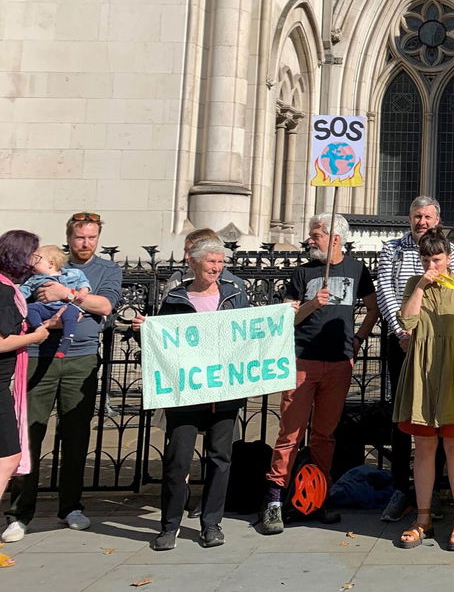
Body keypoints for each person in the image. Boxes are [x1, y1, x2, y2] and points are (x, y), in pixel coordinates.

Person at [4, 212, 121, 543]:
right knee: (29, 434)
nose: (86, 243)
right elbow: (19, 302)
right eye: (80, 237)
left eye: (92, 237)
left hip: (81, 358)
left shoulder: (107, 269)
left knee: (75, 434)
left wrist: (67, 295)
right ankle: (19, 512)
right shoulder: (43, 262)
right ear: (69, 238)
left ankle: (71, 506)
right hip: (39, 356)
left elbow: (105, 306)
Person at [259, 214, 379, 534]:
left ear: (335, 239)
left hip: (339, 363)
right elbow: (287, 318)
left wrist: (358, 340)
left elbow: (373, 307)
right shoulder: (303, 272)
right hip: (303, 361)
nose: (310, 240)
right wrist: (312, 304)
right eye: (311, 235)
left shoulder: (356, 270)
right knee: (291, 433)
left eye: (316, 235)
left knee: (325, 436)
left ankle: (315, 496)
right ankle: (274, 499)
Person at [132, 241, 251, 551]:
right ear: (194, 263)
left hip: (224, 391)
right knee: (177, 460)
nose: (216, 267)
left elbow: (250, 334)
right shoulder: (175, 297)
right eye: (211, 261)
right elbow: (160, 341)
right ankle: (169, 526)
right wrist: (143, 330)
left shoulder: (234, 296)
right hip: (185, 392)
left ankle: (211, 523)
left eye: (221, 262)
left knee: (220, 459)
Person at [375, 196, 454, 523]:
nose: (421, 221)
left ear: (437, 219)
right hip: (404, 343)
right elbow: (385, 290)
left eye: (427, 216)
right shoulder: (392, 250)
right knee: (405, 420)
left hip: (441, 349)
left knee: (442, 420)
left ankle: (437, 491)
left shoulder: (448, 250)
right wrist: (401, 334)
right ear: (408, 218)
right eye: (416, 216)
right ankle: (401, 489)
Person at [394, 230, 454, 552]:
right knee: (425, 447)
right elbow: (408, 321)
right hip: (423, 371)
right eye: (427, 260)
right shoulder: (415, 283)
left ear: (448, 258)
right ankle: (423, 517)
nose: (432, 265)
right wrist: (421, 285)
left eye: (437, 260)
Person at [0, 231, 61, 567]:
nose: (36, 259)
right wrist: (36, 335)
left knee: (7, 458)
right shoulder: (4, 290)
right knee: (8, 459)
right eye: (33, 254)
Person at [19, 246, 87, 359]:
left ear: (51, 263)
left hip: (65, 306)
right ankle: (39, 328)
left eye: (37, 259)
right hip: (44, 307)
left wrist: (83, 290)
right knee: (30, 308)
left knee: (73, 312)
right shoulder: (34, 279)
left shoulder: (74, 273)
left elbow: (84, 283)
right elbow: (21, 293)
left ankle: (67, 339)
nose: (32, 263)